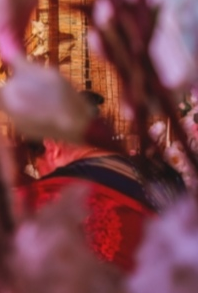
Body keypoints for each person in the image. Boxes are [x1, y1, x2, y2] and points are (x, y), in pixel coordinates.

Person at [17, 90, 185, 271]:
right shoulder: (163, 172)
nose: (43, 178)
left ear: (51, 146)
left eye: (39, 168)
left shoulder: (54, 193)